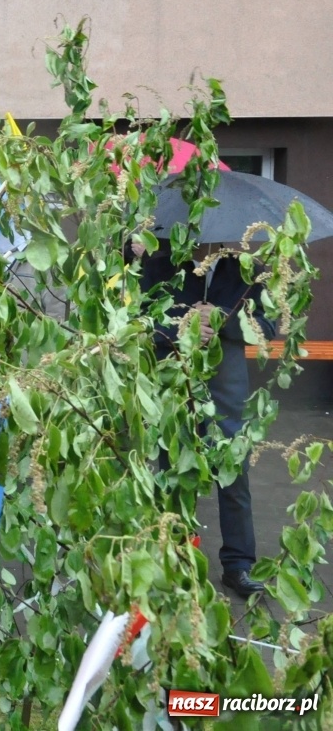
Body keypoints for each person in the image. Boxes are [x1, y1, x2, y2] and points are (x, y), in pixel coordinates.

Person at [143, 242, 272, 600]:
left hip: (226, 395)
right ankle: (178, 560)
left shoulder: (247, 270)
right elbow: (141, 323)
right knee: (174, 474)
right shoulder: (161, 266)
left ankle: (239, 566)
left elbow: (268, 325)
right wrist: (183, 328)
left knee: (234, 477)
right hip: (176, 390)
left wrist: (223, 320)